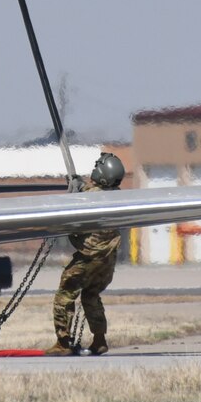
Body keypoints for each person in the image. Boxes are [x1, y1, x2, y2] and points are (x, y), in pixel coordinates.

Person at [48, 151, 125, 356]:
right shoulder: (118, 196)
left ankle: (63, 342)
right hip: (107, 260)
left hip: (89, 258)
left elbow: (75, 212)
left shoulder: (90, 197)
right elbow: (94, 192)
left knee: (65, 295)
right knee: (91, 296)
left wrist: (74, 192)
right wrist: (80, 185)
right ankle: (99, 340)